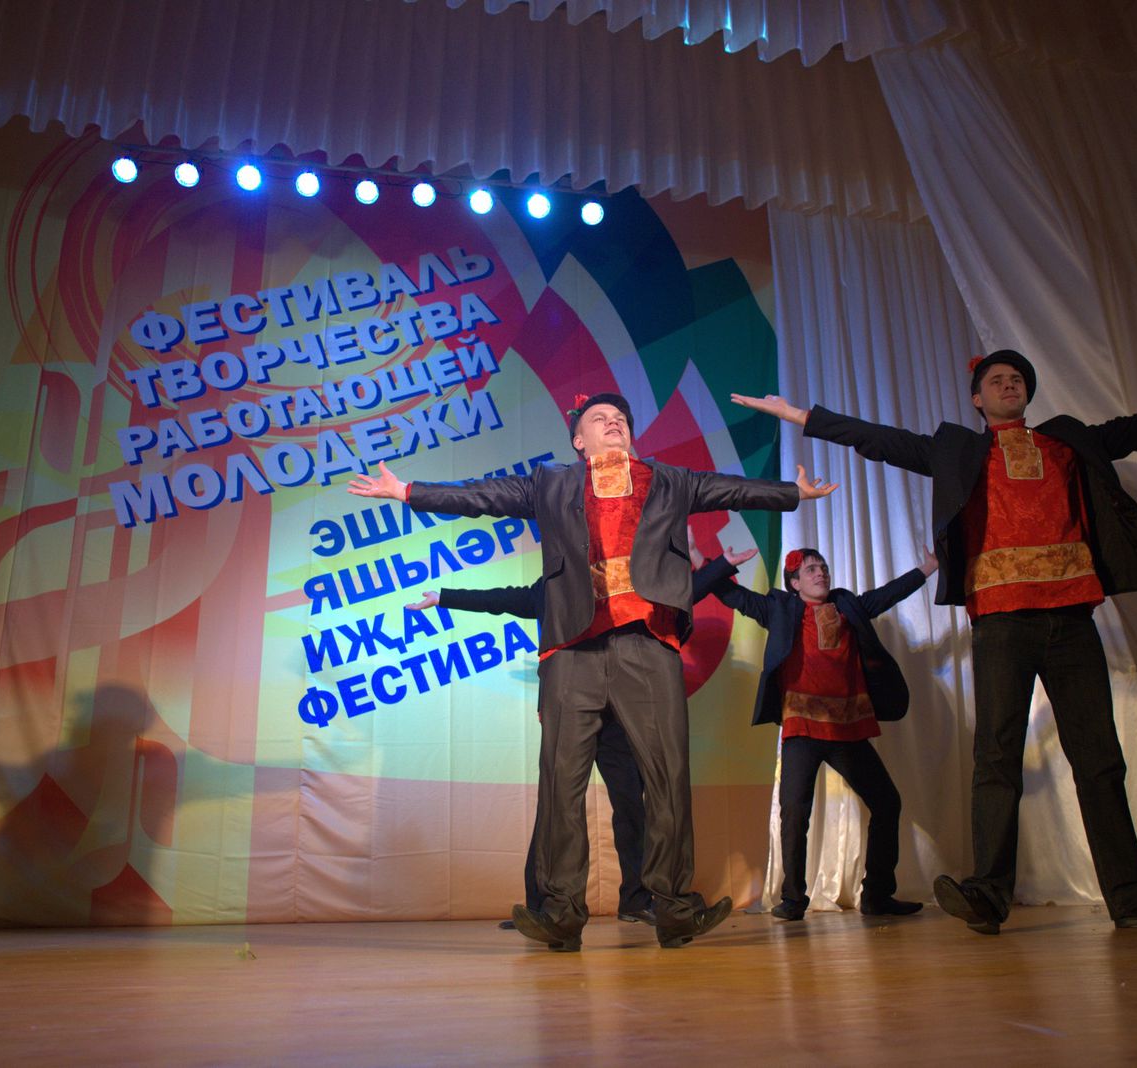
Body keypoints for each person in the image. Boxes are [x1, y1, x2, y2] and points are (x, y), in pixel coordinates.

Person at [734, 352, 1137, 934]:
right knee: (996, 758)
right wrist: (799, 414)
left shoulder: (1064, 442)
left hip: (1071, 616)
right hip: (1000, 622)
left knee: (1099, 758)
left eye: (1016, 378)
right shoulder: (957, 451)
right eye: (995, 380)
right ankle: (989, 894)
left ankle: (1130, 894)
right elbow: (880, 440)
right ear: (977, 398)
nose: (1008, 384)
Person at [350, 392, 835, 949]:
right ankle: (560, 912)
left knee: (668, 776)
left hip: (647, 643)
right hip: (572, 648)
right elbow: (482, 495)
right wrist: (408, 491)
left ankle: (673, 906)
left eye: (621, 419)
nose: (614, 424)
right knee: (561, 781)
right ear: (579, 440)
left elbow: (732, 488)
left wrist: (794, 493)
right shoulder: (549, 484)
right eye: (600, 420)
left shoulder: (669, 481)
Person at [411, 548, 753, 931]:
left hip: (620, 715)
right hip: (572, 709)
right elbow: (503, 599)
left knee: (631, 806)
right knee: (557, 806)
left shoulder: (623, 579)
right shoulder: (552, 588)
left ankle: (637, 899)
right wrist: (444, 597)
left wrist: (722, 565)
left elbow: (678, 594)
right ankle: (543, 907)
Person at [710, 546, 937, 921]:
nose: (821, 573)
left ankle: (877, 895)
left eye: (824, 568)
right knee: (794, 812)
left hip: (847, 728)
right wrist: (714, 563)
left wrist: (925, 570)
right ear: (795, 582)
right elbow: (734, 596)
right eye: (811, 569)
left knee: (887, 803)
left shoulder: (847, 606)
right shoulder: (779, 609)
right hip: (802, 727)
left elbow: (887, 595)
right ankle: (793, 900)